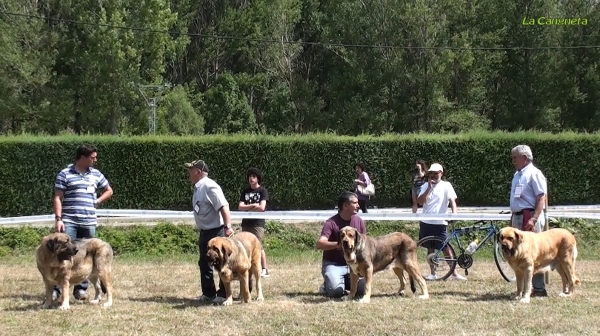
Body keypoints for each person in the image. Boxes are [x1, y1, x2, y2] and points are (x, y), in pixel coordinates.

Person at [52, 144, 114, 301]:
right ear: (82, 157)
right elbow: (58, 197)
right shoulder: (65, 174)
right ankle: (57, 289)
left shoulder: (96, 174)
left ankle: (81, 289)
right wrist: (59, 219)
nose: (95, 160)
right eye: (92, 157)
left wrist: (98, 201)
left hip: (88, 222)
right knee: (62, 255)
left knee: (85, 258)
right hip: (69, 221)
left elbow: (109, 190)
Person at [184, 159, 234, 305]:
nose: (188, 173)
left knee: (221, 263)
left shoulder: (210, 186)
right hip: (205, 231)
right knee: (204, 263)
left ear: (198, 172)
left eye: (191, 170)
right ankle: (209, 293)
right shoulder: (198, 187)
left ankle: (223, 293)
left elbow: (224, 206)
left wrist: (228, 226)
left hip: (216, 231)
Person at [417, 163, 467, 281]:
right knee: (430, 248)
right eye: (431, 173)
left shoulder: (446, 185)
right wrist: (429, 188)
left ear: (441, 173)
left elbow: (452, 201)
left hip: (440, 223)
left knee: (446, 248)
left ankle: (453, 273)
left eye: (436, 173)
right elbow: (420, 201)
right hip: (426, 222)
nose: (433, 175)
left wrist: (454, 213)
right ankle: (433, 273)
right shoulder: (425, 186)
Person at [509, 144, 548, 297]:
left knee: (533, 253)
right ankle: (524, 288)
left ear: (524, 158)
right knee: (520, 253)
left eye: (515, 158)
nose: (513, 161)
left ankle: (538, 288)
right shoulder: (517, 175)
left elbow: (541, 197)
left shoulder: (534, 174)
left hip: (530, 216)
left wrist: (534, 218)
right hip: (518, 217)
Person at [316, 191, 367, 298]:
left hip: (353, 265)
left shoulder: (359, 221)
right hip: (334, 264)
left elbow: (365, 243)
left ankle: (344, 283)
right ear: (345, 205)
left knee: (361, 292)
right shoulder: (331, 223)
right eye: (355, 203)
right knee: (336, 292)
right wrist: (339, 245)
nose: (358, 205)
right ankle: (327, 285)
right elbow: (320, 244)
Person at [238, 167, 271, 278]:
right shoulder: (245, 191)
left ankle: (264, 269)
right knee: (245, 246)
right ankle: (247, 268)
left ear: (258, 178)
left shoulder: (263, 191)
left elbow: (262, 207)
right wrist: (252, 205)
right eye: (250, 177)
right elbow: (240, 207)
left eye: (254, 177)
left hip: (258, 223)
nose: (251, 179)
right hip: (246, 223)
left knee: (258, 246)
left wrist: (248, 207)